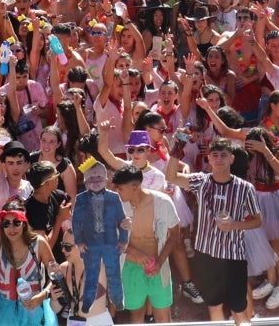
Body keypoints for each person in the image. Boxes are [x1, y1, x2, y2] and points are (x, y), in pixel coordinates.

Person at [165, 136, 261, 326]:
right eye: (214, 155)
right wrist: (177, 149)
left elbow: (258, 221)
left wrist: (235, 224)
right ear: (208, 158)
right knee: (214, 305)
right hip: (206, 255)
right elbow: (171, 177)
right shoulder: (201, 181)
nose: (218, 159)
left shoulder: (245, 188)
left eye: (223, 155)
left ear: (231, 159)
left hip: (234, 256)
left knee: (239, 309)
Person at [111, 164, 180, 324]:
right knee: (136, 315)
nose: (116, 192)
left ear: (134, 186)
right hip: (131, 269)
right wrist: (136, 253)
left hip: (159, 267)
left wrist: (160, 261)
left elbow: (175, 235)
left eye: (120, 188)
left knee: (163, 317)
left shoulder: (163, 202)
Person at [0, 200, 56, 326]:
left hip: (33, 311)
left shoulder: (38, 243)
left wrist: (43, 295)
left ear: (24, 223)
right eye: (6, 224)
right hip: (3, 313)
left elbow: (56, 276)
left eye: (16, 223)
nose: (11, 228)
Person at [69, 163, 127, 312]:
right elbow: (76, 222)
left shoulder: (114, 198)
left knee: (114, 273)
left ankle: (117, 299)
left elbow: (122, 220)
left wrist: (123, 240)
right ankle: (87, 301)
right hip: (90, 244)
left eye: (99, 177)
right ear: (85, 180)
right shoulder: (81, 199)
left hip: (110, 243)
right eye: (91, 178)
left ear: (107, 179)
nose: (95, 181)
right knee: (91, 274)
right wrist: (79, 242)